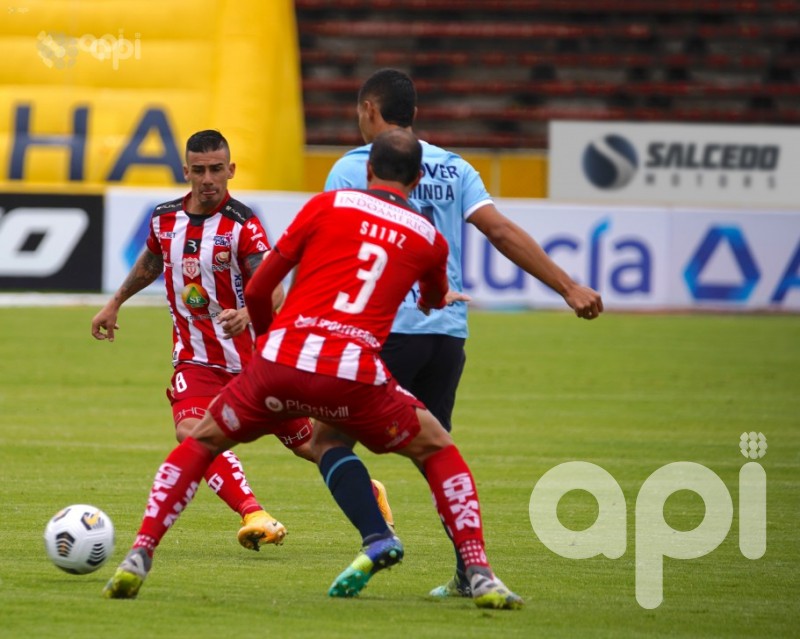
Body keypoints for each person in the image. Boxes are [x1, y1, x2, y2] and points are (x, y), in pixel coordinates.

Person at [102, 129, 523, 610]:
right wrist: (437, 295)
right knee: (437, 449)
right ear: (419, 176)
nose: (207, 179)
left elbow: (261, 290)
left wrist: (267, 349)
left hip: (278, 363)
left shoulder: (327, 206)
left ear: (367, 170)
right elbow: (431, 300)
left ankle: (140, 552)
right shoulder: (429, 236)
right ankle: (480, 572)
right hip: (353, 373)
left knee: (203, 441)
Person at [323, 68, 604, 598]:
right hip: (446, 335)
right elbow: (499, 229)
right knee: (437, 453)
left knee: (327, 440)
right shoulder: (454, 168)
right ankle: (471, 570)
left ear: (368, 112)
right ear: (416, 116)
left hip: (384, 331)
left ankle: (377, 536)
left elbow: (338, 250)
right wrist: (567, 286)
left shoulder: (351, 169)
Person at [91, 129, 393, 553]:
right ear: (186, 171)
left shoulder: (243, 225)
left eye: (217, 169)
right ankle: (254, 514)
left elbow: (275, 289)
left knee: (314, 446)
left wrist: (250, 313)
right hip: (197, 363)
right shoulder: (164, 218)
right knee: (191, 432)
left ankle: (369, 492)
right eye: (199, 170)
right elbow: (153, 259)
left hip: (257, 368)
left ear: (230, 170)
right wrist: (115, 303)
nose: (208, 179)